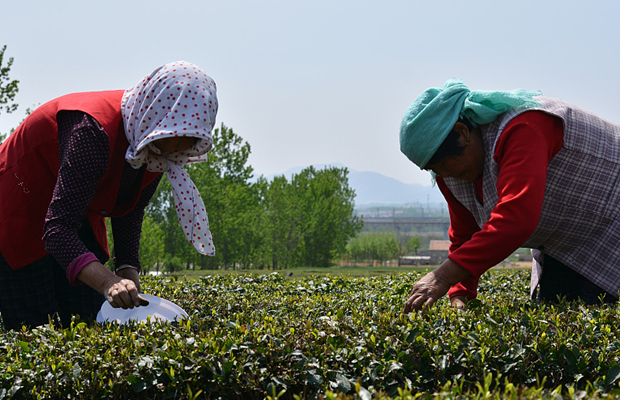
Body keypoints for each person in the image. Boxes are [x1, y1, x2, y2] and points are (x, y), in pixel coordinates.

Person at [0, 61, 218, 330]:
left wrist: (127, 267)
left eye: (179, 146)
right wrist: (108, 282)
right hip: (17, 207)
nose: (168, 152)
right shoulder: (92, 130)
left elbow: (130, 206)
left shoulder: (157, 144)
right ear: (152, 115)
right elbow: (58, 231)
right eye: (163, 143)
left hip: (73, 210)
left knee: (87, 319)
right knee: (36, 326)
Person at [399, 79, 620, 314]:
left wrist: (442, 276)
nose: (444, 175)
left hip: (612, 226)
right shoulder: (452, 174)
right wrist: (460, 295)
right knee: (559, 322)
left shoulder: (523, 127)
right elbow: (466, 233)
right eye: (434, 169)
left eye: (444, 163)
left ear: (463, 133)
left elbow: (516, 219)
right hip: (568, 242)